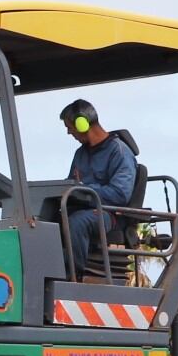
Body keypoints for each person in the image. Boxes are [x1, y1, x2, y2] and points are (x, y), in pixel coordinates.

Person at [57, 99, 136, 280]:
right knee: (42, 220)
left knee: (77, 222)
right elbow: (72, 183)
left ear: (82, 123)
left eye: (70, 127)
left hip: (109, 213)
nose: (69, 132)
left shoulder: (120, 152)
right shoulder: (80, 153)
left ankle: (71, 279)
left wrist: (84, 190)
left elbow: (120, 194)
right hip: (82, 208)